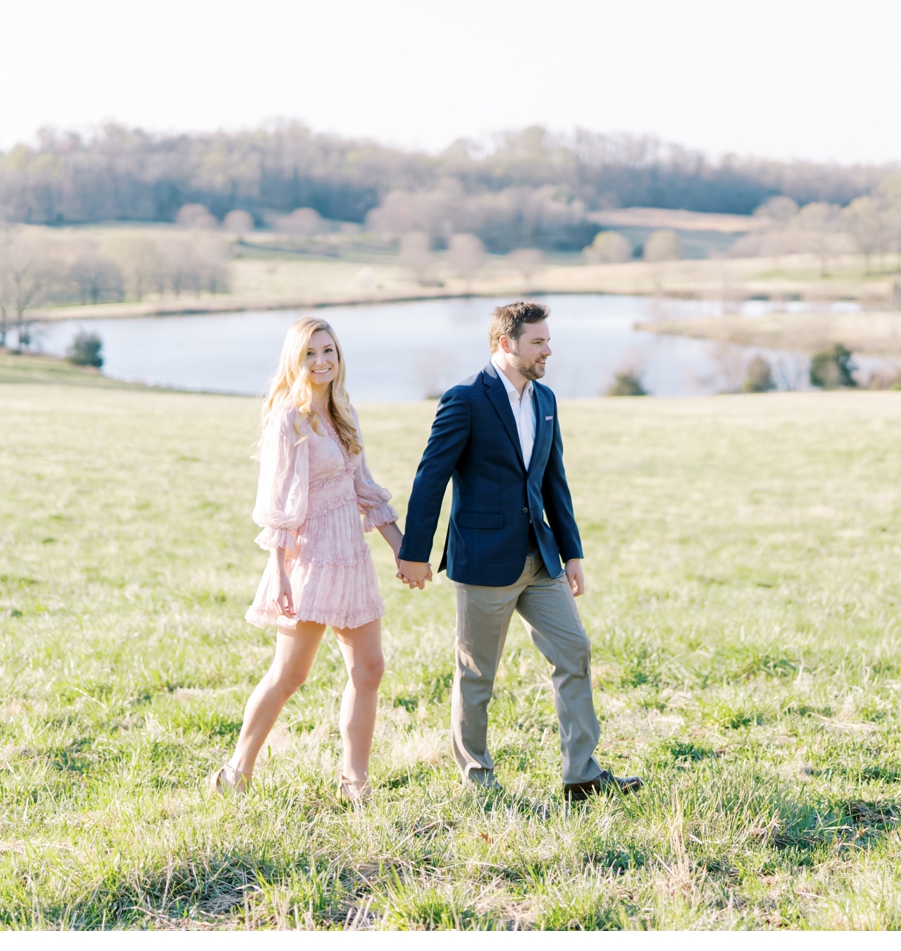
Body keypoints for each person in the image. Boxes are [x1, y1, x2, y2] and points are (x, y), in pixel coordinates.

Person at [396, 301, 642, 801]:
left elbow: (555, 480)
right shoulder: (465, 398)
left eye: (548, 341)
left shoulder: (545, 398)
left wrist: (572, 551)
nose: (548, 350)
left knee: (573, 651)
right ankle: (478, 781)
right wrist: (414, 553)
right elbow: (431, 477)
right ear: (505, 344)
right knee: (477, 674)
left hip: (541, 559)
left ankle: (582, 775)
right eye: (538, 342)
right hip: (484, 561)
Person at [213, 316, 402, 802]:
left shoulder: (344, 412)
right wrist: (278, 573)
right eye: (310, 354)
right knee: (290, 674)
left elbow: (365, 489)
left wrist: (402, 549)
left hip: (351, 557)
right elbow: (276, 504)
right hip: (309, 558)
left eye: (329, 352)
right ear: (295, 361)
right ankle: (236, 772)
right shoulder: (288, 420)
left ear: (339, 357)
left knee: (369, 668)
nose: (321, 362)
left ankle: (354, 782)